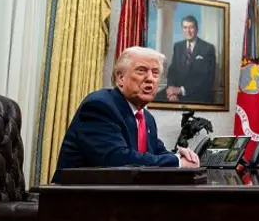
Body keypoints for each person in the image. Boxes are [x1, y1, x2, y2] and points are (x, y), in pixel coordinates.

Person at [52, 46, 200, 183]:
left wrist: (180, 154)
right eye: (141, 70)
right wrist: (177, 162)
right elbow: (117, 160)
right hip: (76, 202)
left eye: (155, 73)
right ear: (120, 78)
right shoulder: (99, 106)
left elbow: (157, 152)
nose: (150, 78)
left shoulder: (146, 118)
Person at [161, 15, 216, 103]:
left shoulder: (208, 48)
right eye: (185, 27)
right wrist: (171, 92)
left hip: (197, 95)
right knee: (154, 99)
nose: (188, 31)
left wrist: (181, 90)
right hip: (176, 93)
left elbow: (207, 78)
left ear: (197, 29)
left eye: (191, 27)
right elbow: (172, 70)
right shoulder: (178, 46)